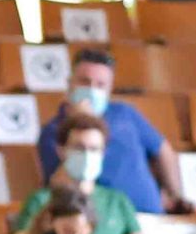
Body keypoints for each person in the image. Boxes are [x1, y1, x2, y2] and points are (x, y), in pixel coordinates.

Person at [33, 48, 186, 216]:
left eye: (101, 85)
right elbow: (58, 185)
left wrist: (176, 196)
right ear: (70, 84)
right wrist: (80, 122)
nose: (92, 90)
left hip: (151, 215)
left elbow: (163, 150)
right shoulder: (53, 131)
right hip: (104, 221)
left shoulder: (125, 113)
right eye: (85, 82)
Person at [8, 112, 155, 234]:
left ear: (103, 153)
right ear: (61, 151)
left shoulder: (116, 201)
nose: (87, 155)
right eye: (79, 148)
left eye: (94, 149)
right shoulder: (42, 200)